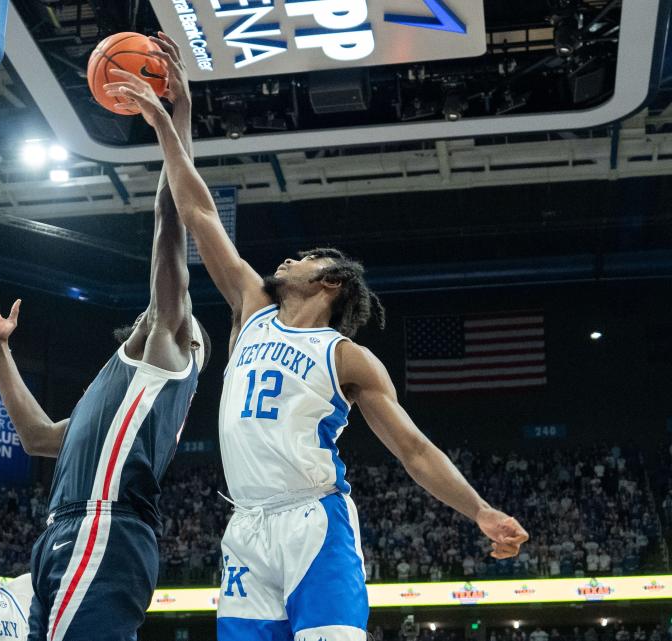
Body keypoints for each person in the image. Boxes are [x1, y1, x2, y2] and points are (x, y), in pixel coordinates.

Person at [105, 61, 530, 641]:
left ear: (332, 281)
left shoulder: (347, 357)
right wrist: (169, 118)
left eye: (307, 258)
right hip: (247, 526)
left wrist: (479, 510)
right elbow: (198, 209)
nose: (290, 259)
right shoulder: (252, 309)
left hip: (315, 520)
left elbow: (413, 449)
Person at [0, 32, 210, 641]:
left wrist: (175, 118)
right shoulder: (116, 394)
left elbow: (168, 228)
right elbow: (38, 437)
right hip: (68, 534)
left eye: (166, 310)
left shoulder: (169, 353)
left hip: (102, 528)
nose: (154, 311)